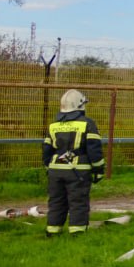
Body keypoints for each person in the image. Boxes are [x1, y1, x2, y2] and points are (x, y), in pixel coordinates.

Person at [41, 89, 106, 237]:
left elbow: (46, 150)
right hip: (77, 171)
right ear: (80, 105)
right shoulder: (87, 124)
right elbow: (94, 151)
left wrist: (48, 168)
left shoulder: (53, 125)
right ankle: (77, 232)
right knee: (78, 201)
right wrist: (98, 171)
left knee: (56, 201)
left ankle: (52, 231)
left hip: (55, 171)